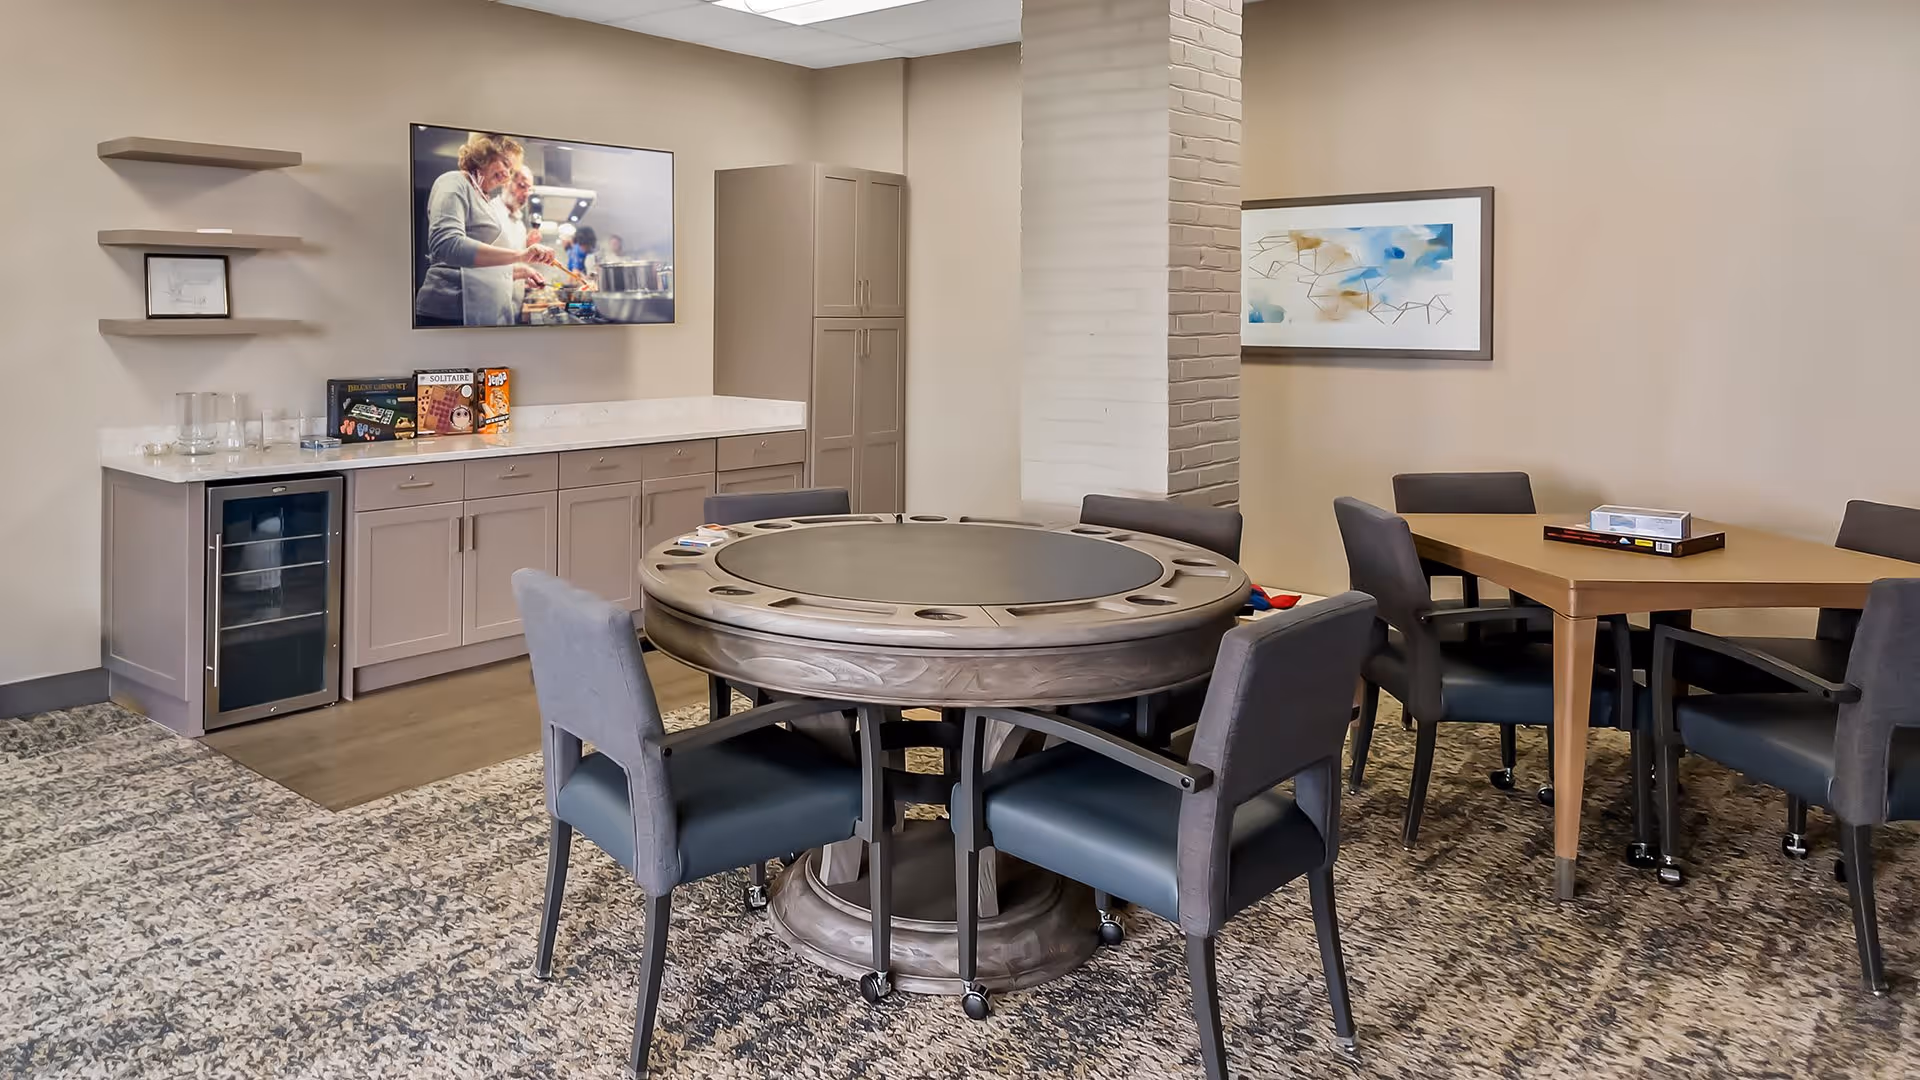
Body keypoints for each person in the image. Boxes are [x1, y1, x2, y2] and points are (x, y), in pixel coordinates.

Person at [413, 133, 558, 327]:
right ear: (484, 154)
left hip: (479, 310)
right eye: (505, 164)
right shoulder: (453, 182)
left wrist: (519, 271)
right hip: (449, 311)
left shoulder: (484, 199)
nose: (507, 174)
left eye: (511, 169)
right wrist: (520, 255)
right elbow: (447, 245)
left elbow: (482, 266)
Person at [498, 164, 546, 315]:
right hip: (494, 305)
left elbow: (515, 262)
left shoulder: (519, 225)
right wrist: (523, 271)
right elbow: (483, 266)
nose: (526, 194)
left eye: (529, 189)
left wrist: (526, 277)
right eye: (522, 186)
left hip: (514, 308)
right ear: (506, 182)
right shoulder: (491, 214)